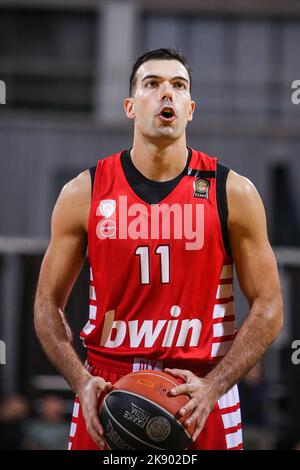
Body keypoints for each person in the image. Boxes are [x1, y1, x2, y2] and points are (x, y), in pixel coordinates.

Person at [34, 48, 283, 450]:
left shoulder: (232, 192)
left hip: (201, 386)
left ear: (190, 109)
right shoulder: (84, 193)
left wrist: (215, 385)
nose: (167, 93)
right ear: (130, 106)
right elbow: (46, 303)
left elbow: (270, 305)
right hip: (108, 387)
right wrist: (79, 380)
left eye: (179, 86)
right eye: (152, 84)